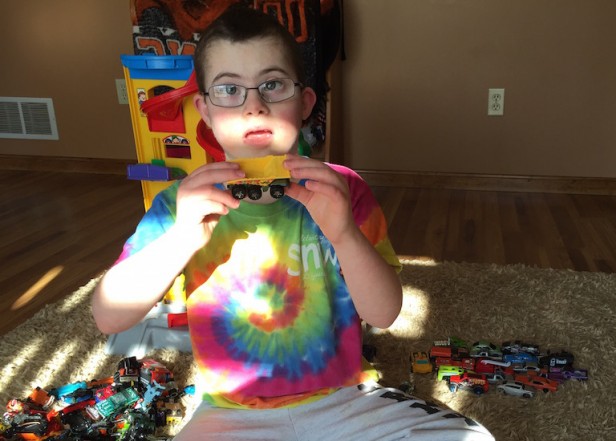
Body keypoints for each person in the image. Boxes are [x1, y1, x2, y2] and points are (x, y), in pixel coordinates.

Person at [92, 6, 494, 440]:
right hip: (231, 413)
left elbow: (384, 312)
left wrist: (343, 234)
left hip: (344, 399)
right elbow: (109, 317)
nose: (254, 106)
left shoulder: (343, 190)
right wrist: (182, 239)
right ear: (204, 111)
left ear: (304, 103)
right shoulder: (181, 204)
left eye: (272, 85)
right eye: (230, 89)